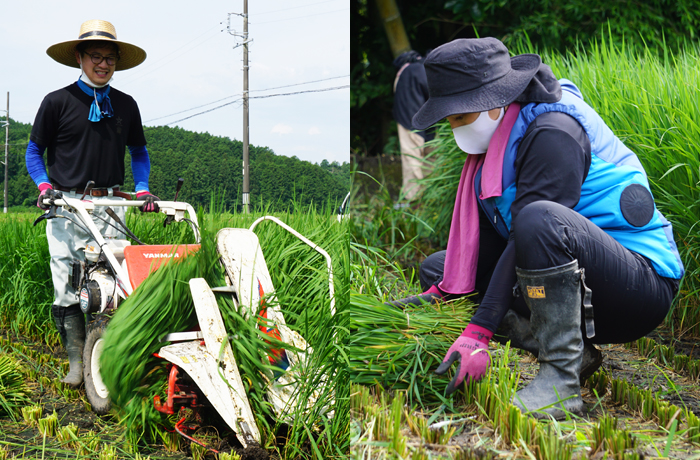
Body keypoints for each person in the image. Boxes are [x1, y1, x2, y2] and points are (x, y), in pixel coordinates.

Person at [390, 37, 683, 419]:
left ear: (493, 101)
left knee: (538, 218)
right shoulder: (493, 151)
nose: (452, 126)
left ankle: (561, 379)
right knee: (444, 269)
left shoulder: (553, 131)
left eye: (459, 116)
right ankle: (578, 355)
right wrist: (441, 294)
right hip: (577, 282)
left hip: (637, 285)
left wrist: (479, 330)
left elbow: (532, 231)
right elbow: (492, 249)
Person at [25, 19, 160, 388]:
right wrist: (44, 186)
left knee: (114, 284)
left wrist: (144, 188)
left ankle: (105, 360)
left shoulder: (126, 106)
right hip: (66, 205)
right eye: (96, 56)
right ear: (79, 57)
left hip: (112, 205)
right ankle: (75, 361)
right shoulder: (57, 102)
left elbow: (139, 151)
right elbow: (34, 150)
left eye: (110, 58)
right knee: (67, 283)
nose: (103, 64)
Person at [392, 50, 434, 202]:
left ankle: (413, 201)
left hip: (410, 115)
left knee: (412, 155)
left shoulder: (406, 73)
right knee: (432, 155)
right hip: (435, 114)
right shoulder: (427, 67)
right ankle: (431, 200)